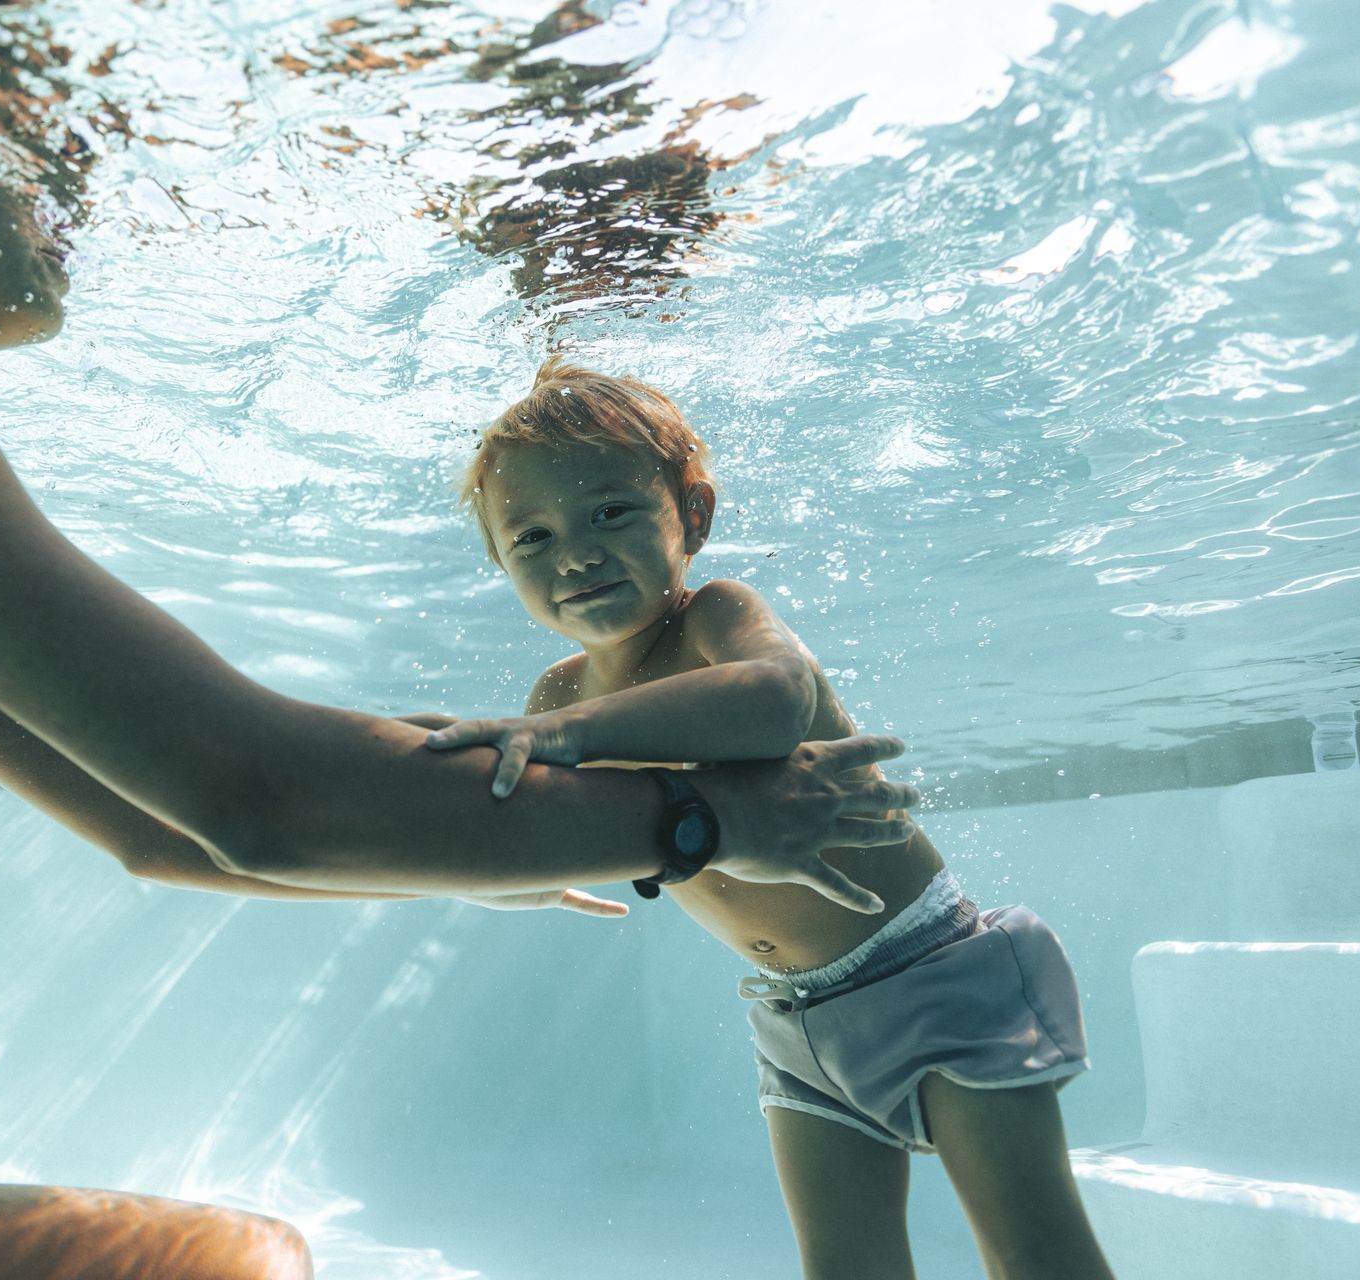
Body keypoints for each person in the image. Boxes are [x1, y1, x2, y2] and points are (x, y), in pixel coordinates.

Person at [0, 62, 925, 1280]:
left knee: (233, 1259)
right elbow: (255, 797)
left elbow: (159, 830)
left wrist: (487, 822)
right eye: (40, 142)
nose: (82, 183)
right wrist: (704, 820)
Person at [423, 358, 1113, 1280]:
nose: (575, 554)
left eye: (611, 513)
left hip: (932, 974)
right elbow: (532, 828)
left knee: (1037, 1256)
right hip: (794, 1028)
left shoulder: (713, 619)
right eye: (532, 538)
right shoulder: (556, 694)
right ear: (501, 564)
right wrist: (505, 879)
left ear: (693, 516)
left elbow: (777, 698)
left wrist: (565, 738)